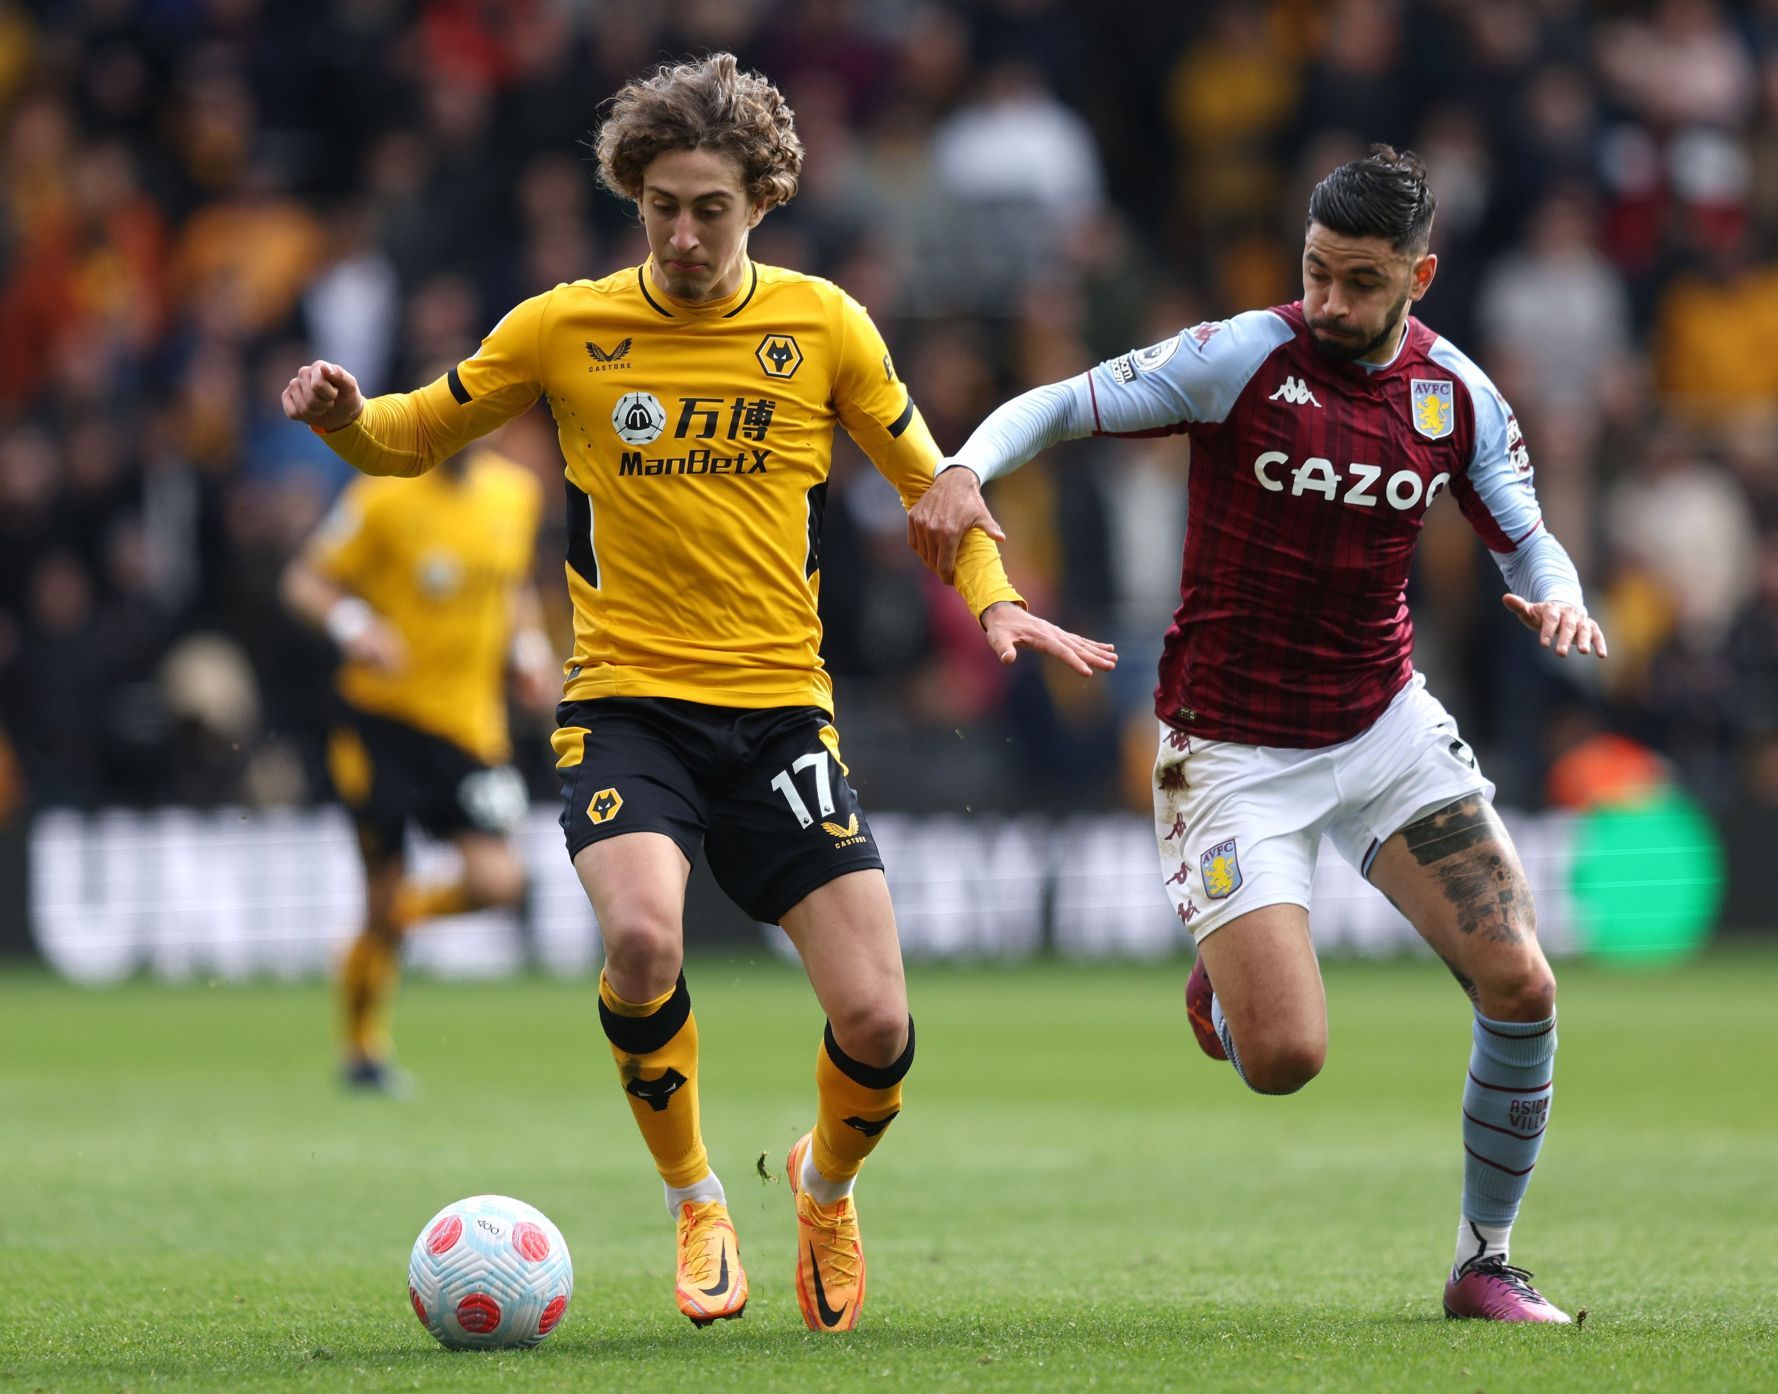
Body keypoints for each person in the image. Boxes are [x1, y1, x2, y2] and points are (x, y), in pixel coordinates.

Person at [281, 53, 1114, 1333]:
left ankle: (822, 1186)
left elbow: (935, 482)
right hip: (626, 699)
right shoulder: (562, 328)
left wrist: (995, 594)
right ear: (632, 195)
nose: (681, 231)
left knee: (880, 1021)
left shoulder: (823, 325)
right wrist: (343, 417)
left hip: (783, 709)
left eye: (709, 206)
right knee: (643, 940)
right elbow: (413, 434)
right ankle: (696, 1197)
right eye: (660, 203)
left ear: (762, 198)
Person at [909, 147, 1606, 1324]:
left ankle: (1485, 1260)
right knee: (1283, 1057)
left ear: (1420, 276)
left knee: (1522, 980)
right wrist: (967, 465)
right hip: (1229, 750)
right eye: (1315, 272)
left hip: (1383, 728)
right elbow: (1064, 401)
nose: (1329, 301)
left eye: (1360, 282)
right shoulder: (1239, 357)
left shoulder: (1458, 400)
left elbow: (1528, 538)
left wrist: (1563, 593)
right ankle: (1228, 986)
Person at [282, 442, 554, 1096]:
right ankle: (362, 1050)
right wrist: (354, 625)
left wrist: (530, 647)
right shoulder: (381, 497)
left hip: (469, 732)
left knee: (498, 881)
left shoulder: (515, 492)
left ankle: (379, 933)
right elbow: (303, 581)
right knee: (383, 884)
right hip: (381, 724)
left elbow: (513, 583)